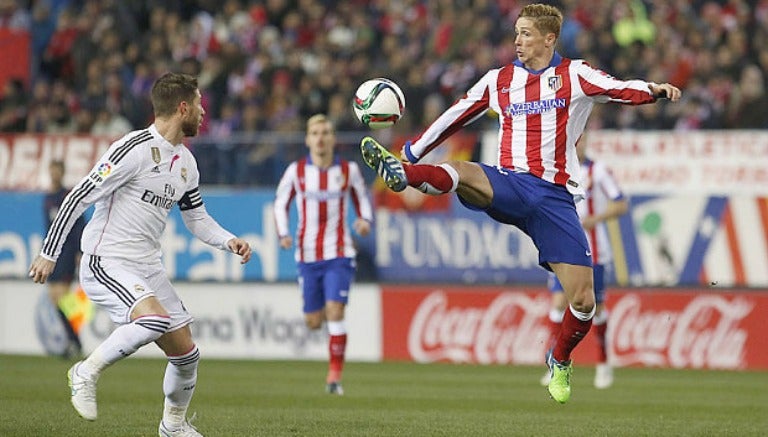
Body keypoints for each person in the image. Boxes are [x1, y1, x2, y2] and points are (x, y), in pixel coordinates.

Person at [360, 3, 681, 404]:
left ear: (549, 38)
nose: (517, 40)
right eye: (516, 32)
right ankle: (402, 174)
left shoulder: (575, 74)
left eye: (526, 33)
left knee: (583, 301)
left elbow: (618, 88)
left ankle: (560, 359)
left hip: (555, 199)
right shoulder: (500, 80)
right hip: (510, 182)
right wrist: (412, 149)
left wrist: (651, 91)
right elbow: (458, 113)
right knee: (467, 173)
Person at [28, 72, 252, 436]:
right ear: (182, 108)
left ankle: (172, 427)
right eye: (198, 105)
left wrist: (228, 240)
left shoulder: (186, 163)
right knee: (154, 321)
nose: (203, 113)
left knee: (187, 355)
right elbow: (78, 196)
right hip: (106, 261)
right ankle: (84, 371)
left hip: (147, 266)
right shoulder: (131, 149)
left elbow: (196, 218)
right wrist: (49, 253)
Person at [274, 114, 373, 396]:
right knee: (314, 321)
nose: (320, 137)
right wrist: (283, 233)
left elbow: (362, 198)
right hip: (307, 255)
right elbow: (280, 204)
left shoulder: (348, 169)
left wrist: (365, 221)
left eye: (326, 132)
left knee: (335, 311)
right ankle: (333, 365)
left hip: (339, 252)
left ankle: (334, 378)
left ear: (332, 138)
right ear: (307, 139)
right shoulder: (297, 171)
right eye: (315, 132)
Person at [540, 136, 628, 389]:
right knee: (557, 303)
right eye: (574, 140)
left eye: (581, 140)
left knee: (596, 308)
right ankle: (554, 362)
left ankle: (603, 364)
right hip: (562, 249)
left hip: (595, 251)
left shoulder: (597, 170)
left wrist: (594, 219)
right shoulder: (555, 170)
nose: (578, 144)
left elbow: (621, 204)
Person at [42, 160, 87, 358]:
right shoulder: (47, 199)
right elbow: (48, 229)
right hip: (53, 254)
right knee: (55, 299)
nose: (54, 174)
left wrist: (79, 251)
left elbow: (79, 224)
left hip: (67, 252)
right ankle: (73, 340)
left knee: (62, 298)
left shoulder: (67, 196)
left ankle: (74, 341)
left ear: (62, 173)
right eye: (52, 171)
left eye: (57, 171)